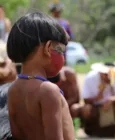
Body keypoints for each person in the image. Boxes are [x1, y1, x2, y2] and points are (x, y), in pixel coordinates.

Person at [7, 12, 74, 140]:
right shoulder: (48, 90)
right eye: (60, 50)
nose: (62, 58)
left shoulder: (12, 90)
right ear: (48, 48)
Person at [76, 62, 115, 137]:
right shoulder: (90, 77)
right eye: (105, 74)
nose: (108, 76)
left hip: (112, 106)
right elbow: (86, 100)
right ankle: (89, 129)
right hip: (95, 106)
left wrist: (111, 100)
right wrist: (98, 96)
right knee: (86, 109)